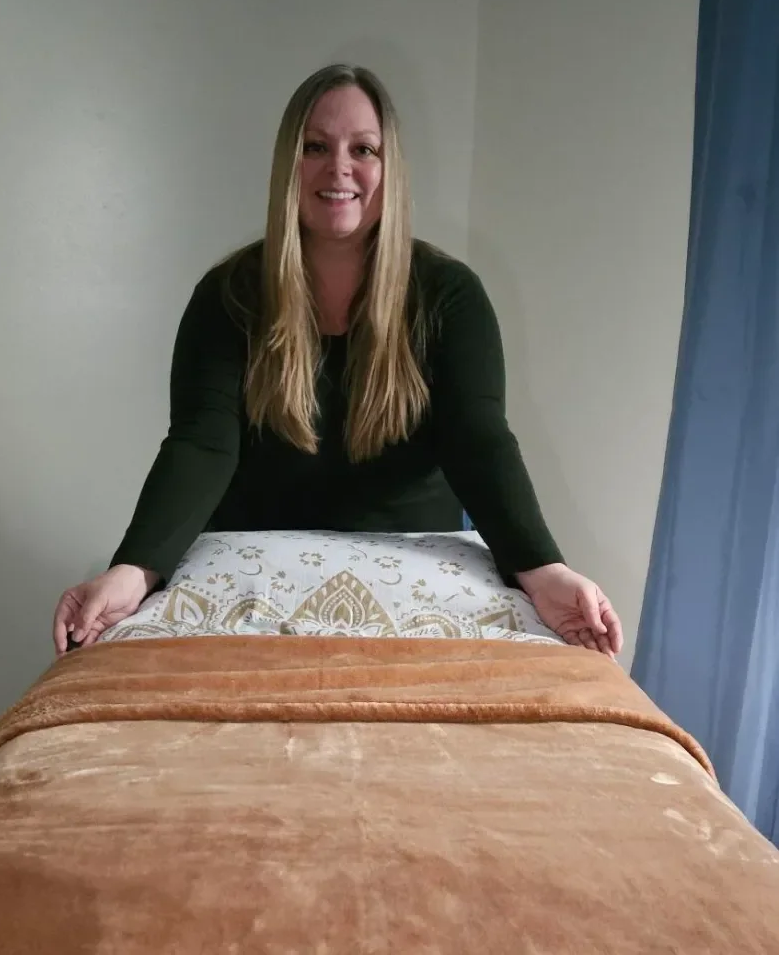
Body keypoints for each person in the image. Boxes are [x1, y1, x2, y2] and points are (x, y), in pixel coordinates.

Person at [52, 63, 624, 659]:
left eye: (364, 149)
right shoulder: (228, 294)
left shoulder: (452, 296)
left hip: (416, 562)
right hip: (252, 566)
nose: (340, 168)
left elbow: (478, 441)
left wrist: (545, 569)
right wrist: (134, 569)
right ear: (288, 166)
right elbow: (201, 444)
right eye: (316, 147)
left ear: (390, 167)